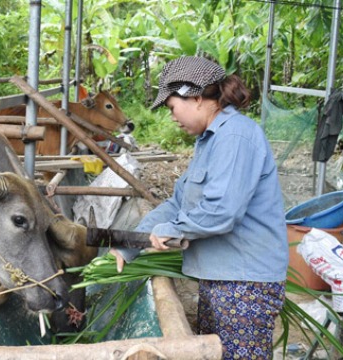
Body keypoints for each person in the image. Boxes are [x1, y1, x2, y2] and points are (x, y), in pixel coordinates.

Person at [110, 56, 288, 359]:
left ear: (194, 95)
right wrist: (130, 243)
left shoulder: (235, 136)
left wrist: (173, 230)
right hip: (221, 278)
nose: (172, 117)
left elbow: (222, 212)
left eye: (171, 107)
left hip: (243, 284)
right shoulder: (209, 141)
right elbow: (177, 203)